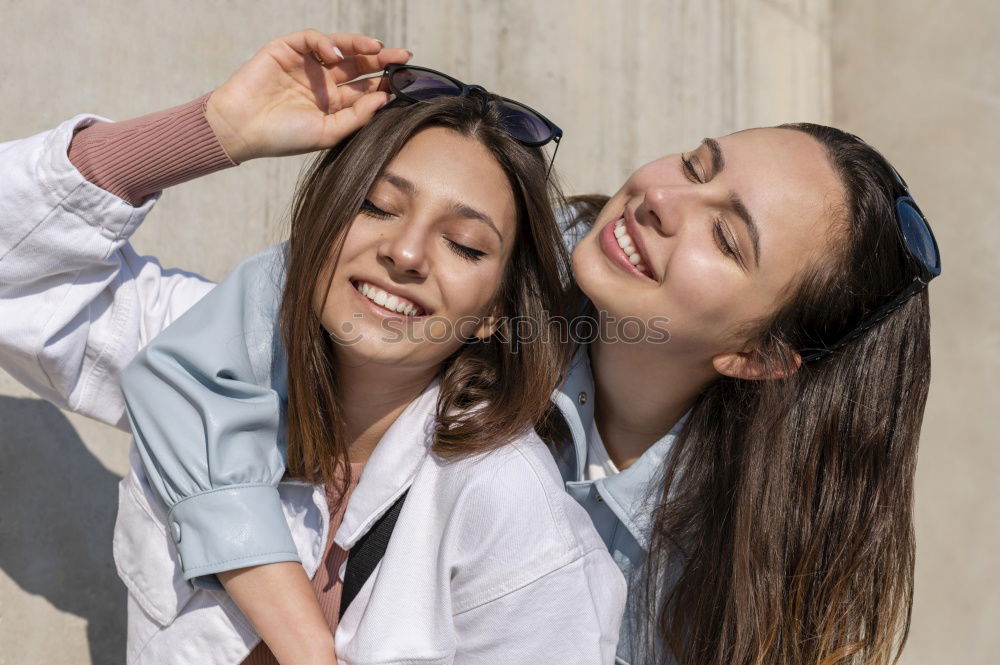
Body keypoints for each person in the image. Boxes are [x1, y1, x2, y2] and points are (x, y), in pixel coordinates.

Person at [122, 101, 941, 665]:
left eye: (726, 236)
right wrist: (214, 130)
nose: (662, 198)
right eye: (695, 163)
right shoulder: (471, 266)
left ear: (759, 356)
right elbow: (195, 360)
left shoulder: (733, 577)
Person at [0, 30, 625, 665]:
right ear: (322, 219)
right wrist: (216, 128)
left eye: (464, 244)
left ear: (495, 312)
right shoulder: (199, 357)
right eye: (379, 206)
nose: (405, 254)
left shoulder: (512, 515)